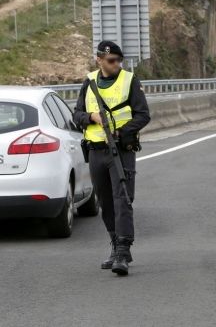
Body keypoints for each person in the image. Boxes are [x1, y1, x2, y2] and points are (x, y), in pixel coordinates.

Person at [73, 41, 150, 276]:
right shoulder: (89, 82)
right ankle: (116, 245)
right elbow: (76, 114)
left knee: (122, 199)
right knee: (105, 202)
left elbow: (143, 115)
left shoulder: (129, 80)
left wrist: (121, 132)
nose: (116, 64)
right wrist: (91, 117)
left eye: (119, 60)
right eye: (111, 60)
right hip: (95, 151)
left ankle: (123, 251)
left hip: (121, 150)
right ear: (99, 60)